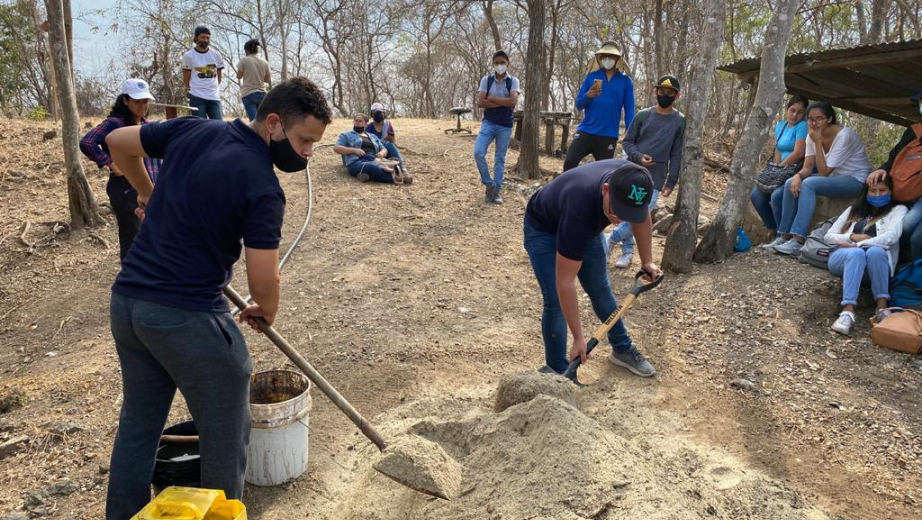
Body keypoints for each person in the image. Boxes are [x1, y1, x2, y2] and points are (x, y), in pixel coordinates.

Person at [101, 77, 332, 520]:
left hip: (129, 306)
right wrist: (267, 309)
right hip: (185, 314)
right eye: (304, 140)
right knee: (226, 430)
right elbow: (264, 278)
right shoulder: (263, 187)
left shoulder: (194, 129)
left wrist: (145, 189)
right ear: (273, 123)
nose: (307, 153)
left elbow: (116, 141)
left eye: (314, 145)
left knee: (139, 426)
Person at [524, 159, 662, 377]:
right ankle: (558, 372)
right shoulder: (578, 208)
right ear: (605, 190)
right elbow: (565, 282)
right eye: (617, 211)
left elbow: (642, 217)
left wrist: (647, 261)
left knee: (600, 289)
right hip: (544, 228)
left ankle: (622, 348)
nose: (620, 219)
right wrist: (579, 339)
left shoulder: (635, 183)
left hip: (587, 225)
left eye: (628, 213)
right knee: (554, 300)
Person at [606, 75, 685, 268]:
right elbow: (627, 142)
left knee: (641, 212)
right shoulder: (643, 115)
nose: (665, 95)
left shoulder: (680, 121)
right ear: (655, 91)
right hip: (631, 171)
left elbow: (676, 152)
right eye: (662, 91)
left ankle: (610, 239)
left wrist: (671, 181)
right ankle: (627, 252)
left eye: (670, 93)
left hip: (656, 177)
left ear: (677, 95)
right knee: (627, 210)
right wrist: (639, 156)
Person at [79, 78, 162, 261]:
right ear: (125, 100)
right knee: (132, 237)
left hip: (148, 187)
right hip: (125, 187)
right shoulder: (115, 123)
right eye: (137, 101)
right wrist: (110, 163)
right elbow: (87, 142)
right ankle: (131, 282)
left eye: (145, 101)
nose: (142, 106)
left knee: (152, 235)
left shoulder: (148, 126)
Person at [774, 101, 871, 255]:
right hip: (834, 178)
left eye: (819, 119)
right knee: (789, 183)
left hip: (855, 180)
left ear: (829, 119)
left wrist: (818, 142)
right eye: (810, 119)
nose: (814, 123)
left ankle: (798, 240)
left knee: (809, 184)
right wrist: (798, 176)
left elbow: (824, 171)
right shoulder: (811, 135)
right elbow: (807, 167)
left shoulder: (844, 136)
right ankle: (783, 236)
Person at [824, 175, 907, 335]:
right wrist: (852, 237)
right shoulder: (852, 210)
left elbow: (891, 236)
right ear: (867, 192)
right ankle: (847, 312)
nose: (877, 195)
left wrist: (859, 244)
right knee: (856, 254)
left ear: (890, 191)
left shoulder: (898, 210)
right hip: (843, 258)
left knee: (876, 251)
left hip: (875, 266)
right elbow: (829, 236)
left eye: (882, 190)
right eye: (873, 191)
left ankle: (882, 309)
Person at [864, 89, 922, 263]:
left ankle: (911, 275)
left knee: (910, 229)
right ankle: (900, 268)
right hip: (904, 189)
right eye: (920, 103)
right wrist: (882, 169)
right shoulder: (914, 131)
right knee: (899, 228)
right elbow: (895, 156)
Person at [563, 41, 635, 173]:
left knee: (602, 173)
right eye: (604, 56)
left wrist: (631, 134)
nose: (607, 59)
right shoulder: (591, 77)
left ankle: (597, 194)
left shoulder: (625, 82)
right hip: (586, 130)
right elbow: (579, 104)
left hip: (608, 135)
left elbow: (629, 109)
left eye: (611, 56)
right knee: (570, 161)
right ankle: (564, 191)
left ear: (617, 59)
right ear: (599, 58)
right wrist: (588, 95)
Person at [753, 95, 809, 250]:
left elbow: (799, 153)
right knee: (756, 195)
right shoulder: (781, 125)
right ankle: (772, 229)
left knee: (777, 195)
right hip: (779, 169)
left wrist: (782, 166)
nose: (795, 115)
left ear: (804, 114)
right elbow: (778, 149)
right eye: (792, 110)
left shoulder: (803, 126)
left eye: (800, 112)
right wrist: (776, 166)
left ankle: (782, 236)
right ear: (787, 109)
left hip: (794, 170)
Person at [474, 49, 519, 204]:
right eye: (497, 63)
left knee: (500, 158)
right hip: (489, 123)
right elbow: (480, 102)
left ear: (507, 63)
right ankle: (489, 184)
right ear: (493, 64)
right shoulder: (486, 80)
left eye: (502, 62)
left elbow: (512, 102)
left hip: (505, 125)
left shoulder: (513, 81)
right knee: (478, 152)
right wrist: (502, 101)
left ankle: (496, 192)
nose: (499, 65)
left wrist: (492, 98)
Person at [334, 114, 411, 184]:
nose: (358, 122)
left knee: (386, 159)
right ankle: (399, 179)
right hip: (357, 161)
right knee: (373, 168)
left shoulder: (373, 136)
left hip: (374, 159)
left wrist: (381, 153)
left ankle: (399, 171)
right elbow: (337, 148)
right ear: (353, 122)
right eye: (356, 120)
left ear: (366, 123)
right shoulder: (346, 135)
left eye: (361, 121)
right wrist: (354, 150)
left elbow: (384, 149)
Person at [182, 26, 224, 120]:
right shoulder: (188, 56)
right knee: (200, 126)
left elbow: (219, 77)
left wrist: (213, 88)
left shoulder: (216, 54)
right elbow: (186, 79)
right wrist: (194, 89)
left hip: (214, 96)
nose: (205, 40)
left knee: (218, 125)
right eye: (203, 37)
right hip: (197, 96)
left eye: (207, 38)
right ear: (196, 38)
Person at [236, 38, 270, 121]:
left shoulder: (244, 60)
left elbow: (239, 76)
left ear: (247, 50)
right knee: (262, 121)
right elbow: (267, 80)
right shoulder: (264, 62)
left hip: (248, 93)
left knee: (254, 122)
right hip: (262, 93)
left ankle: (253, 134)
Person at [366, 102, 405, 171]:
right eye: (376, 113)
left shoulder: (387, 124)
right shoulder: (369, 127)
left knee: (390, 145)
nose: (378, 115)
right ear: (372, 115)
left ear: (384, 114)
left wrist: (390, 138)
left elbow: (393, 140)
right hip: (375, 150)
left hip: (386, 149)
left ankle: (402, 168)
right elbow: (368, 142)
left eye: (380, 113)